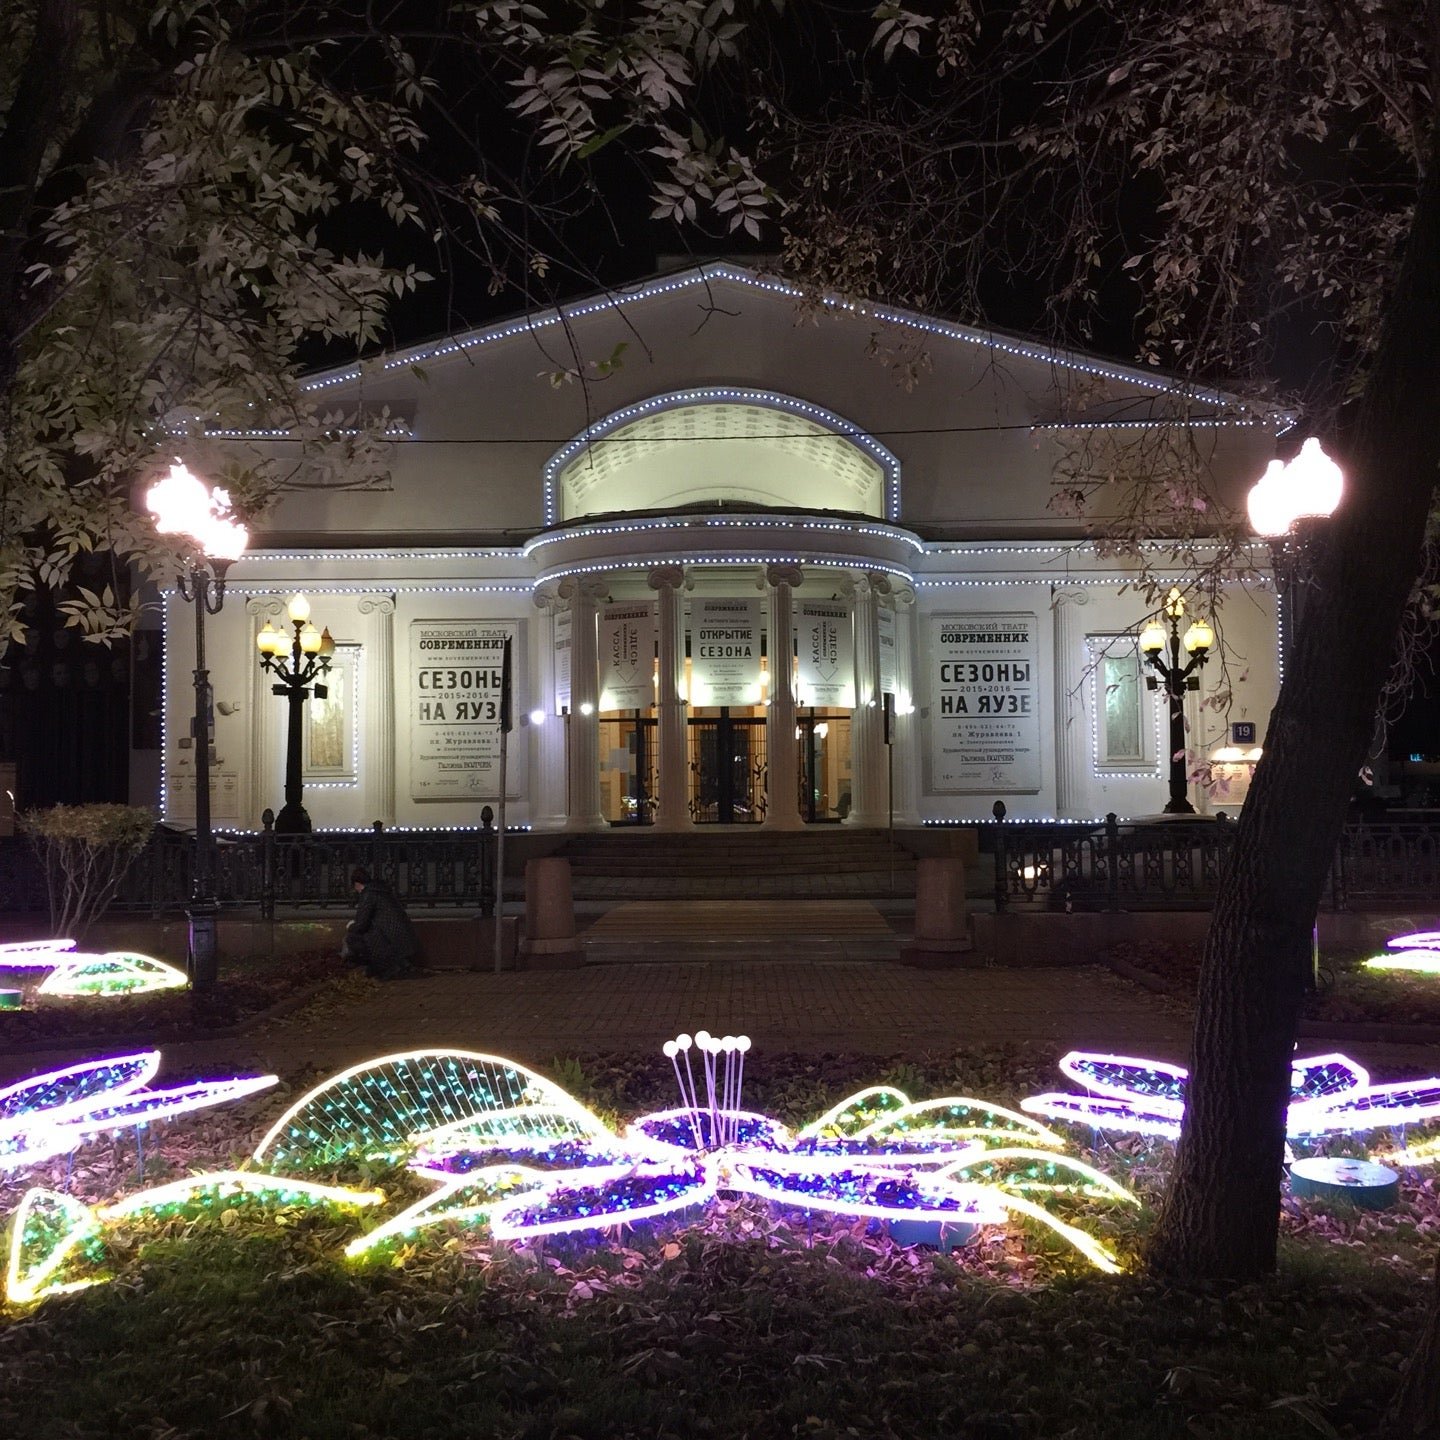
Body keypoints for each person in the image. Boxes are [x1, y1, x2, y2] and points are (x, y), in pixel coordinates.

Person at [343, 867, 422, 979]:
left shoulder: (368, 894)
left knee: (353, 937)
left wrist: (350, 926)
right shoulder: (381, 890)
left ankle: (382, 967)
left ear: (356, 884)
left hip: (391, 942)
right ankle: (397, 965)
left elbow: (361, 924)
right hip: (403, 941)